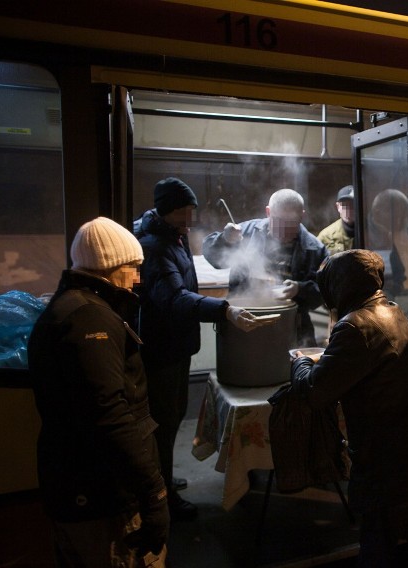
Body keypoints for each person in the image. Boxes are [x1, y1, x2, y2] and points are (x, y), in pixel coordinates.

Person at [28, 217, 169, 567]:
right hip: (104, 498)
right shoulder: (90, 319)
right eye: (133, 267)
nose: (137, 277)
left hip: (79, 489)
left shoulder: (71, 306)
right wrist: (154, 494)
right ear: (109, 265)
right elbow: (112, 416)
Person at [291, 249, 408, 567]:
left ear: (341, 286)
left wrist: (301, 361)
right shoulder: (393, 311)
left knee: (378, 548)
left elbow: (316, 391)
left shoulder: (355, 326)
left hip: (386, 466)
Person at [135, 177, 271, 521]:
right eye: (182, 213)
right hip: (162, 348)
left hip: (174, 345)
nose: (189, 220)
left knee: (173, 416)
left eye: (191, 212)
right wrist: (225, 310)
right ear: (165, 211)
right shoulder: (154, 246)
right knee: (164, 421)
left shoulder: (172, 236)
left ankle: (163, 477)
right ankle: (161, 495)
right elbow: (174, 297)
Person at [202, 188, 328, 346]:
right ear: (268, 212)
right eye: (279, 221)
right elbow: (211, 256)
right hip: (244, 321)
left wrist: (299, 289)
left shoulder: (314, 248)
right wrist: (225, 239)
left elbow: (325, 293)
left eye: (291, 224)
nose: (283, 230)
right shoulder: (247, 232)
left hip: (292, 326)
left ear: (302, 215)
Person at [317, 185, 355, 254]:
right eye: (344, 205)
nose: (348, 210)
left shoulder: (370, 232)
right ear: (338, 207)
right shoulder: (326, 236)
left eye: (352, 205)